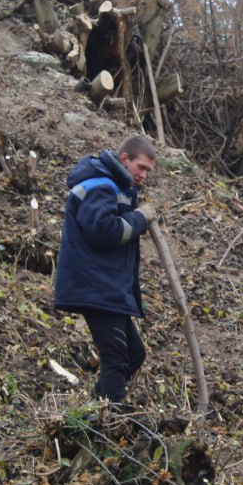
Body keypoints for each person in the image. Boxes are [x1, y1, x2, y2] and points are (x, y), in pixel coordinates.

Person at [54, 135, 158, 404]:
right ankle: (112, 419)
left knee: (135, 354)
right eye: (141, 167)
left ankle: (94, 409)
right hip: (95, 287)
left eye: (148, 171)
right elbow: (104, 231)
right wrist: (139, 218)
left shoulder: (115, 187)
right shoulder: (100, 185)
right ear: (125, 159)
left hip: (108, 288)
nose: (144, 175)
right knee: (116, 357)